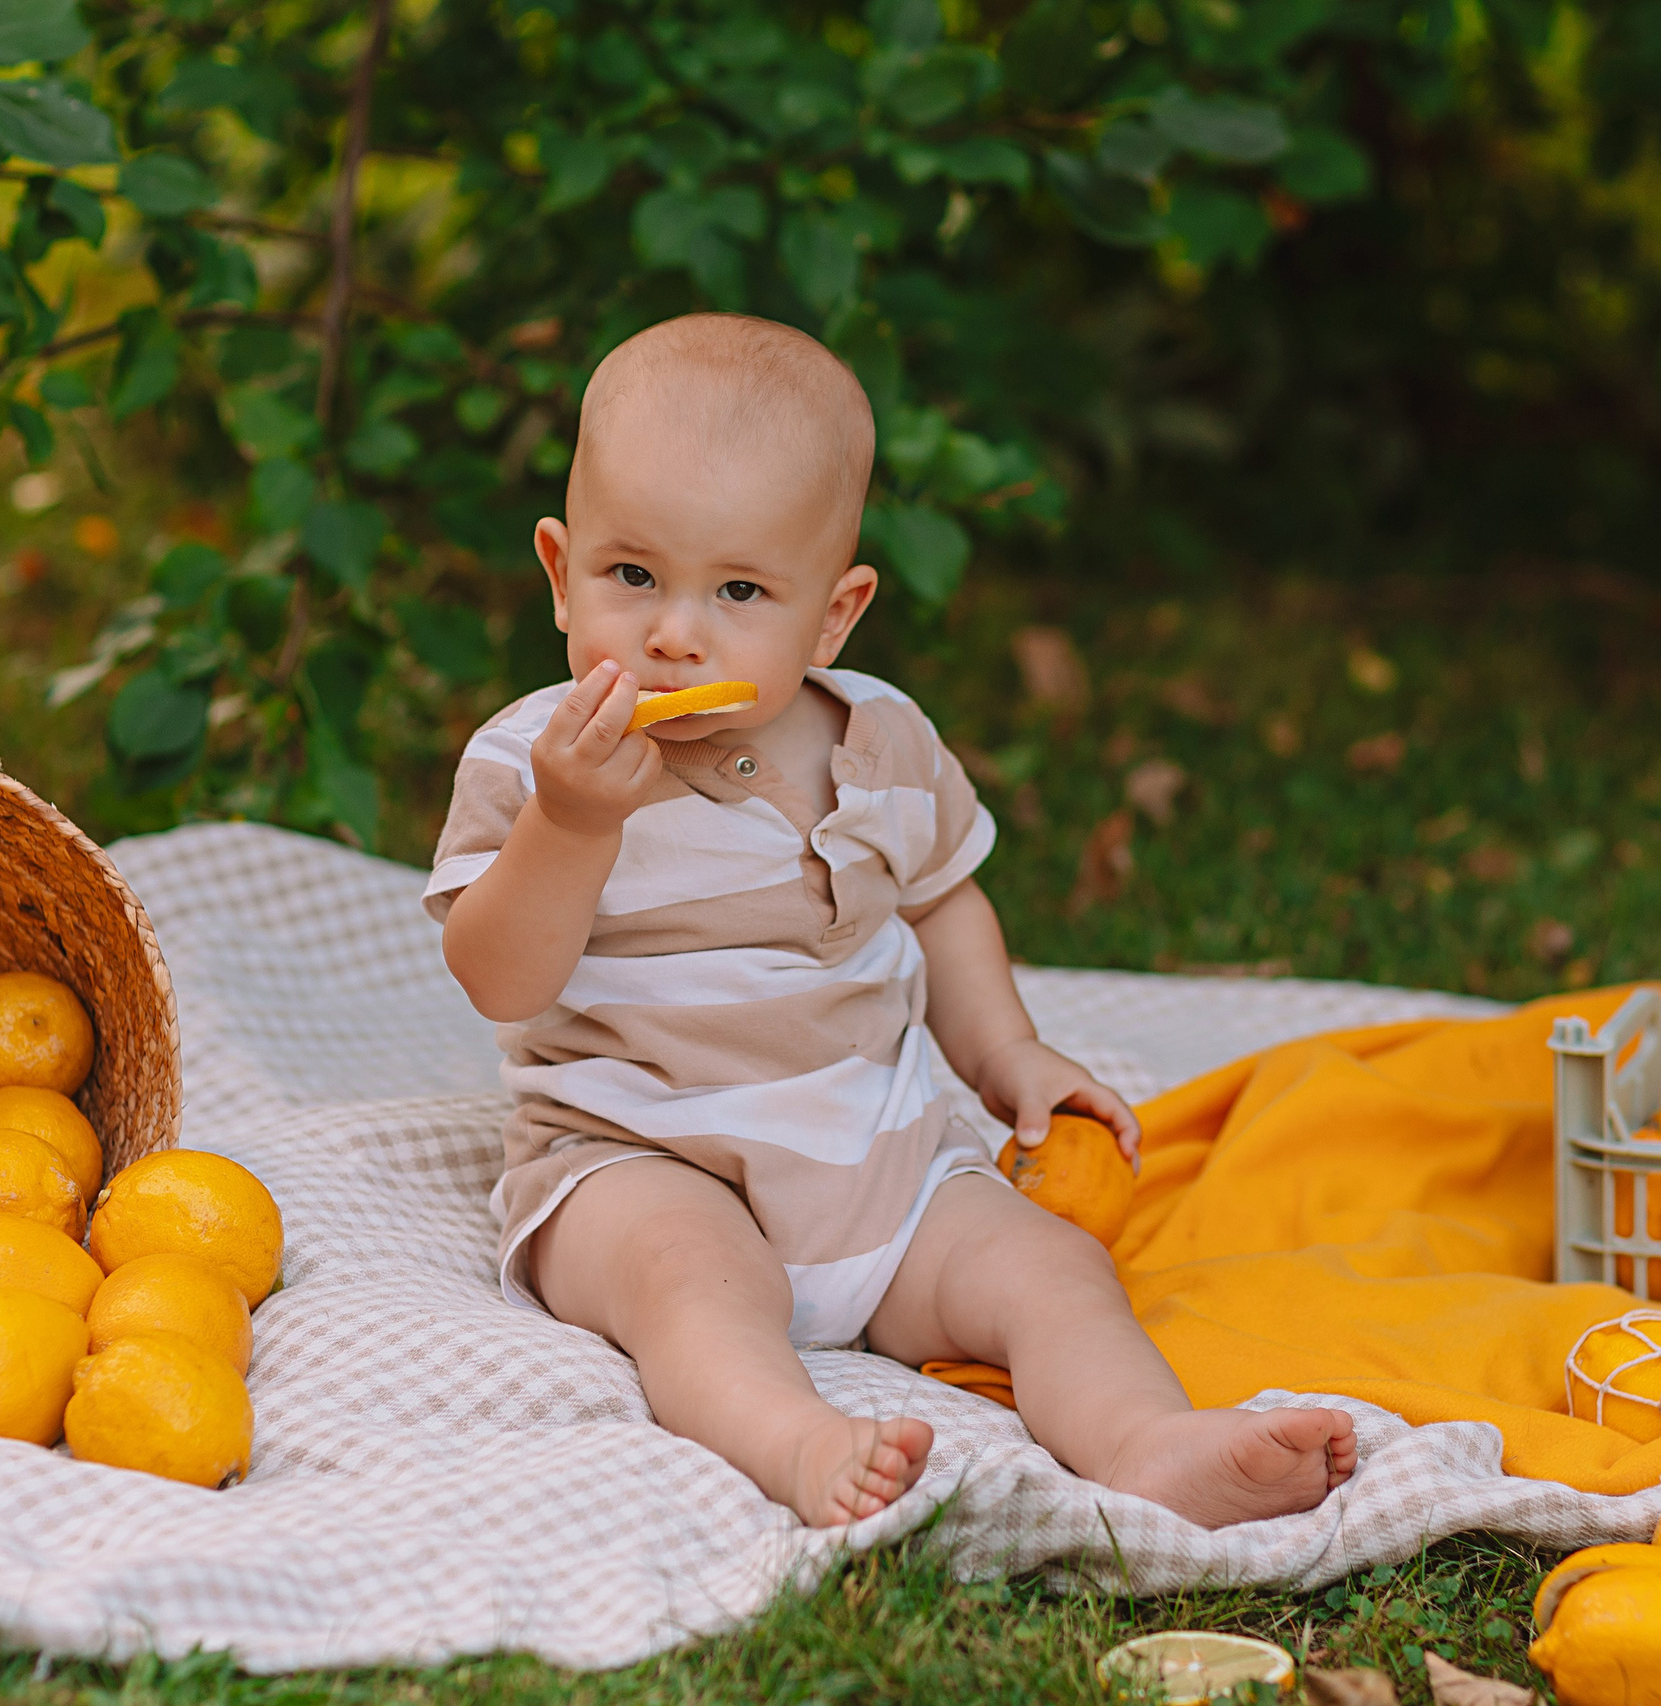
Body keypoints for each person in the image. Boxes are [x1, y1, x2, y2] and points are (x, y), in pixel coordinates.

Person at [427, 312, 1356, 1527]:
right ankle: (793, 1438)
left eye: (741, 589)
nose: (673, 631)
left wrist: (1009, 1052)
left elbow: (943, 903)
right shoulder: (536, 762)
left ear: (833, 613)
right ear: (560, 572)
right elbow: (498, 976)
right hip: (638, 1148)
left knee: (1052, 1266)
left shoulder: (883, 743)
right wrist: (570, 822)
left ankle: (1145, 1440)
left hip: (878, 1157)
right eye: (632, 575)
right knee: (685, 1284)